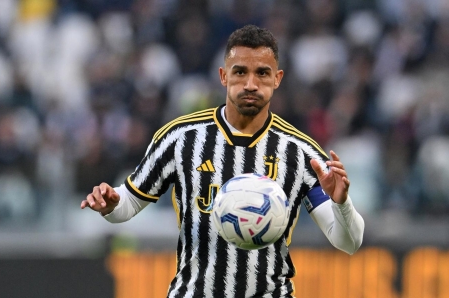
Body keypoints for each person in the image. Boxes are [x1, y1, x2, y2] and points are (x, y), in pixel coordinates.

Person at [81, 24, 365, 298]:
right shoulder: (181, 138)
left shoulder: (301, 152)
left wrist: (342, 204)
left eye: (262, 73)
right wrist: (112, 202)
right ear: (223, 75)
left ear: (277, 78)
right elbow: (129, 202)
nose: (251, 84)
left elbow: (349, 242)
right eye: (240, 72)